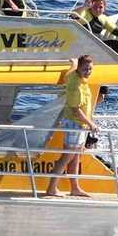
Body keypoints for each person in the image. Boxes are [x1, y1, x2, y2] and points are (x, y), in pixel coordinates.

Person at [45, 55, 99, 198]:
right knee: (66, 157)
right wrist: (91, 124)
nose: (88, 71)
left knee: (75, 157)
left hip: (80, 125)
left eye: (90, 69)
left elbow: (70, 72)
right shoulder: (76, 85)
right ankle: (51, 188)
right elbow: (75, 109)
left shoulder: (76, 76)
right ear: (80, 68)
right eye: (85, 69)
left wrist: (74, 64)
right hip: (75, 124)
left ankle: (75, 187)